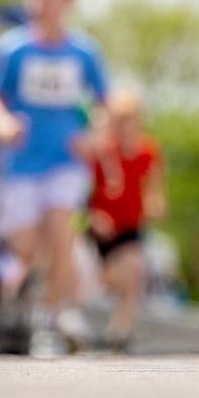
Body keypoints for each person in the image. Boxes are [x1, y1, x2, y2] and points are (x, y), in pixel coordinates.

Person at [0, 0, 108, 356]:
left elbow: (104, 105)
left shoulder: (84, 51)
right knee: (28, 247)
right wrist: (1, 125)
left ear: (67, 0)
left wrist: (94, 137)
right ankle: (35, 295)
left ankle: (50, 321)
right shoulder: (12, 48)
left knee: (60, 229)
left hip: (66, 161)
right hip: (21, 163)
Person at [85, 89, 165, 350]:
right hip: (100, 230)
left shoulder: (148, 151)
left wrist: (155, 203)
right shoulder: (102, 152)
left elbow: (155, 188)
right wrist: (93, 216)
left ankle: (120, 331)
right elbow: (83, 192)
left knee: (135, 272)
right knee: (107, 280)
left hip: (130, 228)